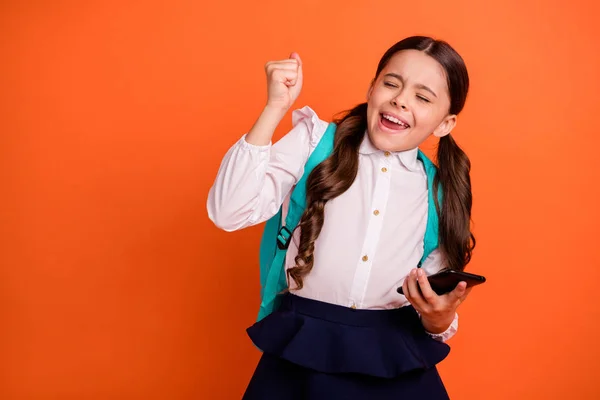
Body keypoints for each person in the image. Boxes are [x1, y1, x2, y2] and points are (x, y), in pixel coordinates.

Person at [207, 35, 476, 399]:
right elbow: (228, 211)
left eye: (423, 97)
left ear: (445, 123)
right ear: (372, 87)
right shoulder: (314, 142)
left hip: (392, 359)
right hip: (302, 349)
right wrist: (274, 108)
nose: (400, 99)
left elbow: (431, 297)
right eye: (391, 83)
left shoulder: (438, 193)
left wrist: (439, 319)